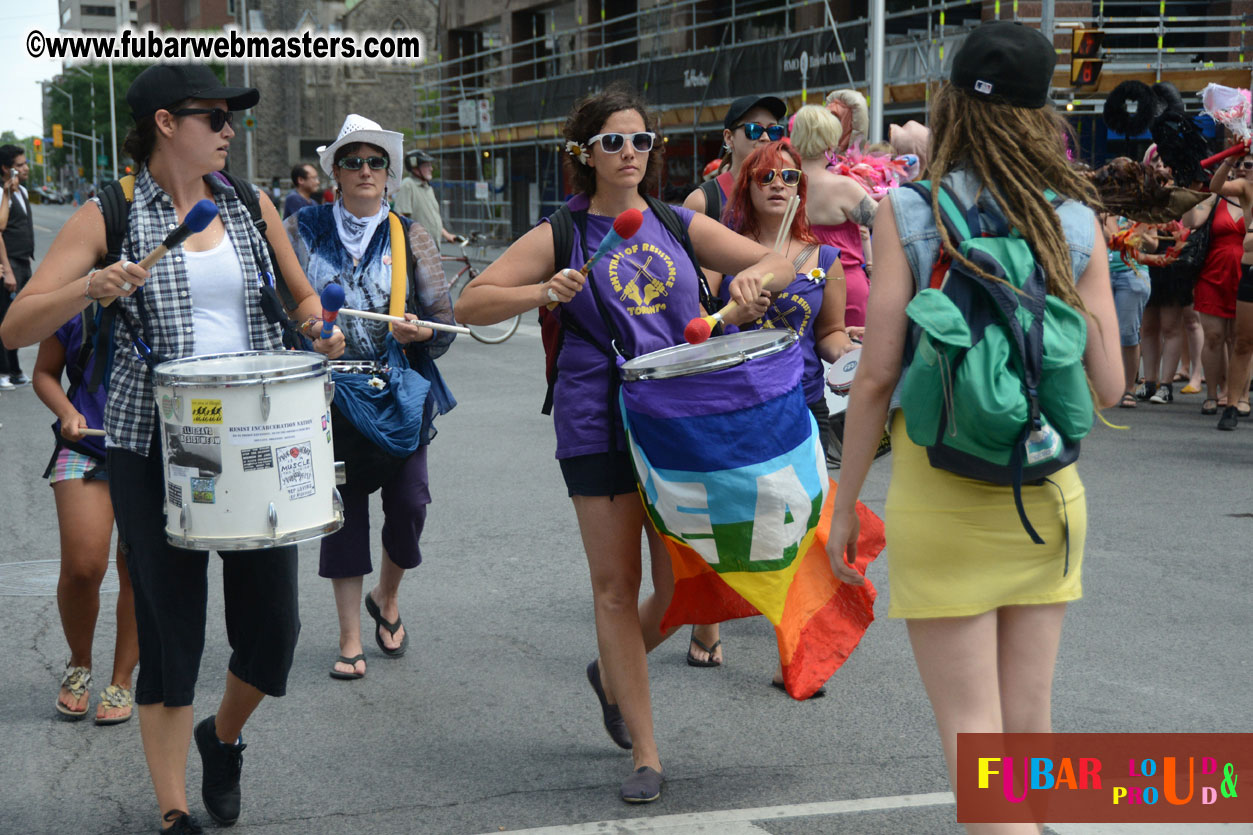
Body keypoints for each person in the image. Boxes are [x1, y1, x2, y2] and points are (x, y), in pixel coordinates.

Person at [0, 63, 345, 834]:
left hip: (254, 439)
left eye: (232, 120)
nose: (229, 131)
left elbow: (302, 295)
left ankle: (220, 737)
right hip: (155, 447)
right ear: (165, 123)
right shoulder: (112, 213)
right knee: (169, 630)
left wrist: (321, 324)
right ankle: (172, 809)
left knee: (274, 634)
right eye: (213, 117)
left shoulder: (252, 204)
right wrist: (88, 287)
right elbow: (15, 328)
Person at [824, 22, 1121, 834]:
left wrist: (846, 505)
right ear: (1040, 112)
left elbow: (876, 377)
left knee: (974, 749)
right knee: (1028, 735)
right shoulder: (1073, 215)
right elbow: (1111, 384)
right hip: (1048, 492)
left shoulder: (910, 212)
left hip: (941, 492)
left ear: (950, 101)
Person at [455, 82, 786, 804]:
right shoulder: (562, 233)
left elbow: (778, 260)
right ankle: (645, 749)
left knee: (679, 589)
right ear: (585, 153)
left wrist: (751, 286)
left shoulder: (673, 220)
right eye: (613, 141)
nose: (630, 152)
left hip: (676, 421)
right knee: (614, 588)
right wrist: (540, 292)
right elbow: (470, 299)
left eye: (641, 140)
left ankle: (610, 671)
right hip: (595, 421)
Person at [285, 114, 455, 680]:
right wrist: (309, 331)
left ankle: (387, 594)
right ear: (334, 171)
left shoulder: (412, 236)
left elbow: (445, 326)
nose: (364, 170)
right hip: (327, 397)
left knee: (410, 504)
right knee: (344, 512)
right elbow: (274, 306)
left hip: (397, 391)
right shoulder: (303, 227)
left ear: (390, 175)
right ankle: (350, 637)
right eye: (353, 160)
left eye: (375, 161)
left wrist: (420, 332)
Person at [697, 138, 856, 683]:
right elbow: (701, 326)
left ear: (801, 190)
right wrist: (737, 311)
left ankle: (798, 649)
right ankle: (708, 619)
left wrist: (852, 358)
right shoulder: (726, 251)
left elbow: (830, 334)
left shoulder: (825, 259)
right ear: (747, 186)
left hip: (800, 404)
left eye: (789, 178)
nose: (778, 186)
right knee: (730, 516)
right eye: (765, 177)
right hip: (734, 402)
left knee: (802, 524)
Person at [680, 92, 787, 666]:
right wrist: (725, 309)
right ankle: (706, 619)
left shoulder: (789, 188)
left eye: (776, 127)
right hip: (721, 358)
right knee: (720, 500)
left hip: (782, 374)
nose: (766, 134)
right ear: (729, 137)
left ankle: (777, 616)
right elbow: (691, 287)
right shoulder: (707, 197)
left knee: (779, 501)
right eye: (753, 127)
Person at [33, 308, 139, 724]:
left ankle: (122, 679)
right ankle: (79, 664)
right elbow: (44, 372)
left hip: (153, 448)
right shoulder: (76, 299)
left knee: (137, 567)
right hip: (85, 445)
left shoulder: (175, 291)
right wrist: (66, 412)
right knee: (82, 567)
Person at [789, 105, 877, 334]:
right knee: (849, 362)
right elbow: (885, 221)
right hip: (847, 286)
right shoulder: (843, 187)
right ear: (830, 141)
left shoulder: (783, 186)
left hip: (802, 288)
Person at [1191, 168, 1247, 417]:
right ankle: (1212, 394)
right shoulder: (1217, 196)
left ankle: (1240, 396)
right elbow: (1191, 222)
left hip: (1245, 275)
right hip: (1213, 275)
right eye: (1242, 163)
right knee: (1213, 336)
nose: (1246, 167)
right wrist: (1190, 190)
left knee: (1241, 339)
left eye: (1251, 162)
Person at [683, 93, 787, 222]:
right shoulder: (703, 202)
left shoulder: (784, 195)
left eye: (774, 131)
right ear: (728, 137)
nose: (766, 138)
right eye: (754, 129)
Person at [1208, 152, 1253, 429]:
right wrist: (1229, 160)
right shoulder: (1247, 186)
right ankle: (1232, 406)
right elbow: (1215, 188)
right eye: (1247, 164)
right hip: (1250, 271)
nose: (1249, 169)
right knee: (1243, 341)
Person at [1102, 215, 1152, 407]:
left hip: (1132, 273)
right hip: (1102, 272)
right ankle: (1103, 386)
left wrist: (1140, 233)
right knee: (1099, 332)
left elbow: (1153, 246)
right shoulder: (1099, 208)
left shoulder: (1139, 210)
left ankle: (1129, 388)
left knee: (1127, 333)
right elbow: (1104, 238)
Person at [0, 144, 35, 389]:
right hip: (9, 262)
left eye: (24, 164)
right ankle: (3, 371)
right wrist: (6, 195)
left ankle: (14, 369)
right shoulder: (4, 194)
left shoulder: (22, 191)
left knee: (18, 318)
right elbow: (0, 229)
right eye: (20, 165)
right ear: (6, 168)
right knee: (4, 319)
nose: (25, 168)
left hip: (23, 261)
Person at [394, 149, 458, 244]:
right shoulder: (408, 185)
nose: (431, 169)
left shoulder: (428, 188)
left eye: (430, 165)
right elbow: (400, 217)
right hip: (419, 250)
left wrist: (447, 235)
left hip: (433, 248)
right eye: (426, 166)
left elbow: (430, 220)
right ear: (415, 168)